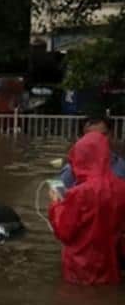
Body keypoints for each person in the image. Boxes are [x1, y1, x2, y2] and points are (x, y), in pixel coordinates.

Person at [48, 131, 125, 286]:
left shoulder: (79, 193)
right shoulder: (121, 187)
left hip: (79, 267)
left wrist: (55, 203)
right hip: (111, 265)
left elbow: (64, 231)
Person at [60, 114, 125, 188]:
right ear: (82, 138)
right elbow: (61, 196)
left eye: (103, 135)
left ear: (111, 134)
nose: (98, 139)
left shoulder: (121, 165)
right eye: (91, 136)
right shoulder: (71, 170)